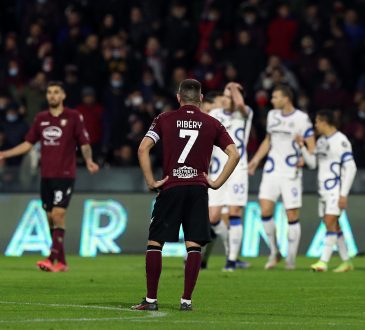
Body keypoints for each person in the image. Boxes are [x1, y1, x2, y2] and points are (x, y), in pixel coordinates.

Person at [132, 79, 239, 311]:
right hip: (198, 188)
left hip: (171, 186)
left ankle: (151, 300)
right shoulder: (213, 123)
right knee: (193, 246)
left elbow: (143, 148)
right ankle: (186, 301)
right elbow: (234, 153)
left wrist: (151, 181)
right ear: (201, 99)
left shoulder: (164, 119)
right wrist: (217, 182)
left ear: (179, 97)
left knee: (155, 242)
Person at [0, 81, 99, 272]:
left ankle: (50, 258)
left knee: (58, 214)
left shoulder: (73, 117)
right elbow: (28, 144)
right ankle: (62, 262)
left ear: (63, 96)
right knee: (50, 219)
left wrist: (89, 161)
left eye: (56, 92)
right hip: (46, 176)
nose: (52, 95)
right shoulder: (41, 118)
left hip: (65, 174)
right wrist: (5, 153)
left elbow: (84, 142)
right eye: (49, 93)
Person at [248, 85, 315, 270]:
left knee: (291, 214)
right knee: (265, 210)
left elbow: (311, 145)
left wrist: (306, 156)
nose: (272, 100)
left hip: (291, 172)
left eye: (275, 97)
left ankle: (291, 259)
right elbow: (268, 140)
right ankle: (275, 251)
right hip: (271, 170)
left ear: (286, 98)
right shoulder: (272, 116)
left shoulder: (302, 119)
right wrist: (255, 160)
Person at [296, 110, 357, 272]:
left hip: (335, 189)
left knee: (330, 222)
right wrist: (302, 147)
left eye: (317, 122)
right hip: (322, 190)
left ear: (324, 122)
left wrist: (343, 194)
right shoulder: (321, 141)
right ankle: (347, 261)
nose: (315, 125)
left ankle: (323, 262)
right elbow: (313, 163)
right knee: (332, 224)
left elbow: (351, 168)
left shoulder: (341, 140)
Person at [206, 83, 253, 271]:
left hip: (238, 170)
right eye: (224, 95)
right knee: (213, 217)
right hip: (217, 170)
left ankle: (231, 260)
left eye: (229, 96)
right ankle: (230, 250)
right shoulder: (215, 115)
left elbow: (241, 105)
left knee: (235, 212)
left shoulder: (245, 113)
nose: (226, 99)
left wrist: (233, 88)